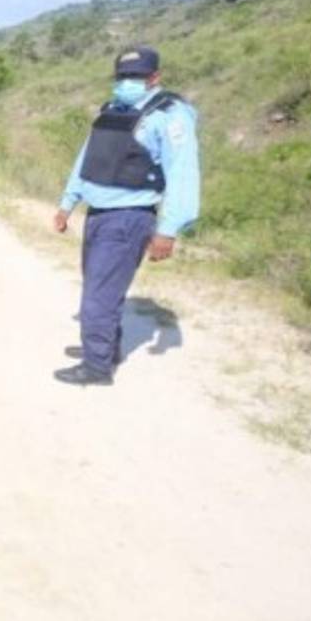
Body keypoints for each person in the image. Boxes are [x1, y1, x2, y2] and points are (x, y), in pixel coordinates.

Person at [53, 46, 200, 386]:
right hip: (98, 214)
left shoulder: (170, 115)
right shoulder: (113, 110)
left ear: (154, 77)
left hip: (128, 217)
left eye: (135, 76)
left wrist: (168, 230)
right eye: (122, 76)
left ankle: (97, 367)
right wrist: (67, 203)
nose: (126, 82)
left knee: (98, 297)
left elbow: (183, 174)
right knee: (101, 289)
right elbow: (86, 159)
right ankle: (103, 348)